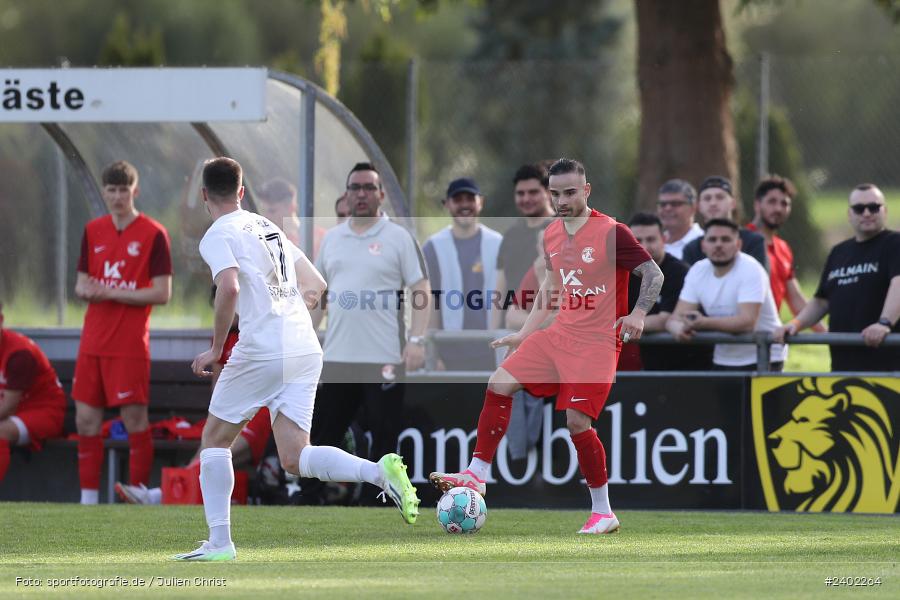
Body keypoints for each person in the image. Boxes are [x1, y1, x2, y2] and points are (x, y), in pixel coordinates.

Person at [174, 157, 418, 561]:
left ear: (203, 195)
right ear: (241, 192)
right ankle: (378, 472)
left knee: (214, 441)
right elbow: (318, 286)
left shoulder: (218, 233)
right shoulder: (268, 226)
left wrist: (217, 350)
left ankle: (220, 544)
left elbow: (229, 288)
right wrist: (286, 317)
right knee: (294, 456)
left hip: (263, 349)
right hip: (305, 347)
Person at [430, 158, 663, 534]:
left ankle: (603, 511)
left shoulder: (612, 232)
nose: (562, 200)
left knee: (576, 422)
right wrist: (525, 333)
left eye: (570, 192)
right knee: (498, 382)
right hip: (558, 336)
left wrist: (637, 314)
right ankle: (476, 475)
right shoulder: (552, 234)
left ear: (586, 191)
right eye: (555, 193)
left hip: (597, 343)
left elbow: (653, 274)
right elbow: (551, 291)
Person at [304, 162, 431, 506]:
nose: (361, 194)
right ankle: (309, 501)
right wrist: (304, 337)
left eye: (368, 188)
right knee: (323, 434)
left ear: (381, 194)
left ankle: (382, 504)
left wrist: (417, 341)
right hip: (339, 357)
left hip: (384, 357)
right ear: (346, 195)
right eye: (355, 188)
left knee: (384, 435)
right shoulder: (332, 239)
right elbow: (320, 297)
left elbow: (422, 291)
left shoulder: (398, 238)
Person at [73, 160, 173, 505]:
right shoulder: (93, 230)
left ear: (136, 191)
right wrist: (89, 289)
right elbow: (81, 283)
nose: (117, 196)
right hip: (93, 340)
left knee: (134, 419)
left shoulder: (154, 233)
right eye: (111, 190)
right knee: (86, 420)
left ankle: (137, 495)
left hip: (129, 343)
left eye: (123, 190)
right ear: (104, 192)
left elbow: (162, 292)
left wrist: (112, 292)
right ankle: (88, 501)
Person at [115, 313, 270, 505]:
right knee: (207, 452)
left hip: (262, 410)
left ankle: (160, 495)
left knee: (212, 453)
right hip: (235, 410)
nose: (229, 311)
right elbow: (219, 390)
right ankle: (185, 497)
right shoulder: (223, 337)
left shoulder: (265, 331)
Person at [774, 184, 900, 371]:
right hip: (844, 364)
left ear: (885, 211)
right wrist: (795, 324)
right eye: (859, 208)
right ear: (849, 214)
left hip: (887, 365)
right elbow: (822, 301)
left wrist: (884, 323)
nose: (866, 213)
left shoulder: (894, 243)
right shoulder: (839, 252)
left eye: (873, 207)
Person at [667, 219, 786, 371]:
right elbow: (675, 318)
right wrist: (677, 329)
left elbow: (748, 323)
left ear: (738, 245)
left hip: (764, 356)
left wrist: (703, 323)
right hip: (724, 358)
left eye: (725, 239)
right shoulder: (697, 270)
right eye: (712, 239)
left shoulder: (751, 269)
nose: (718, 244)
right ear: (703, 245)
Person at [422, 177, 502, 370]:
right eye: (458, 200)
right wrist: (431, 350)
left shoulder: (498, 243)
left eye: (470, 198)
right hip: (449, 351)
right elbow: (429, 300)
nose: (464, 205)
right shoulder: (433, 247)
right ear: (447, 204)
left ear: (480, 202)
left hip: (490, 349)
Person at [747, 176, 824, 330]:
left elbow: (796, 299)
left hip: (770, 335)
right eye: (772, 201)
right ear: (757, 205)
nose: (778, 209)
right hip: (743, 335)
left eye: (784, 204)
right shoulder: (741, 241)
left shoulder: (783, 248)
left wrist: (829, 336)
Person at [0, 302, 66, 483]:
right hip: (13, 410)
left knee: (1, 432)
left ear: (1, 320)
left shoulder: (19, 354)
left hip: (44, 411)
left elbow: (7, 408)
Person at [623, 213, 691, 371]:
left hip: (680, 364)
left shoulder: (679, 272)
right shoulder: (622, 271)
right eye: (637, 241)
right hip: (639, 361)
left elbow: (665, 320)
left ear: (664, 239)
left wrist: (616, 327)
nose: (645, 246)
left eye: (651, 239)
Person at [492, 164, 555, 329]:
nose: (526, 199)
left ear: (548, 192)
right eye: (520, 193)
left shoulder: (561, 228)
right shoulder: (510, 235)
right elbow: (500, 289)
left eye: (533, 192)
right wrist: (491, 334)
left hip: (549, 327)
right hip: (512, 326)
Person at [681, 176, 769, 271]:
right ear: (699, 206)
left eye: (720, 197)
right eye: (707, 198)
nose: (713, 203)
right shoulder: (691, 249)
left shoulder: (753, 242)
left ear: (733, 203)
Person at [257, 177, 326, 259]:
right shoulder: (262, 242)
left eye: (272, 211)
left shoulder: (320, 239)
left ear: (291, 207)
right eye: (263, 210)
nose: (265, 216)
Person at [657, 179, 703, 260]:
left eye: (675, 204)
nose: (667, 208)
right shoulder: (653, 243)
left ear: (694, 207)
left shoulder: (704, 244)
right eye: (663, 204)